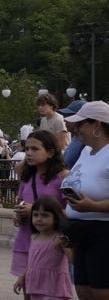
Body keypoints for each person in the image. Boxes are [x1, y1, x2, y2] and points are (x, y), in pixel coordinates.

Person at [59, 101, 109, 299]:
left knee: (102, 292)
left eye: (80, 124)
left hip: (103, 232)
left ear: (97, 125)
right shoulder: (86, 152)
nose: (75, 128)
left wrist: (94, 206)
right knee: (83, 289)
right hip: (81, 231)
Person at [11, 130, 67, 282]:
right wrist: (19, 214)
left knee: (47, 289)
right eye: (27, 149)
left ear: (50, 152)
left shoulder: (63, 177)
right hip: (26, 238)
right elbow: (22, 202)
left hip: (51, 243)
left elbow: (71, 212)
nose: (28, 153)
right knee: (27, 287)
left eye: (35, 149)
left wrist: (34, 210)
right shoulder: (27, 177)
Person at [12, 195, 74, 300]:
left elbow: (72, 260)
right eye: (35, 215)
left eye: (45, 215)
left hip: (54, 289)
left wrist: (68, 244)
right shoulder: (33, 237)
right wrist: (22, 277)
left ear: (55, 218)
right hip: (35, 287)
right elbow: (32, 263)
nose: (39, 219)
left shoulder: (58, 239)